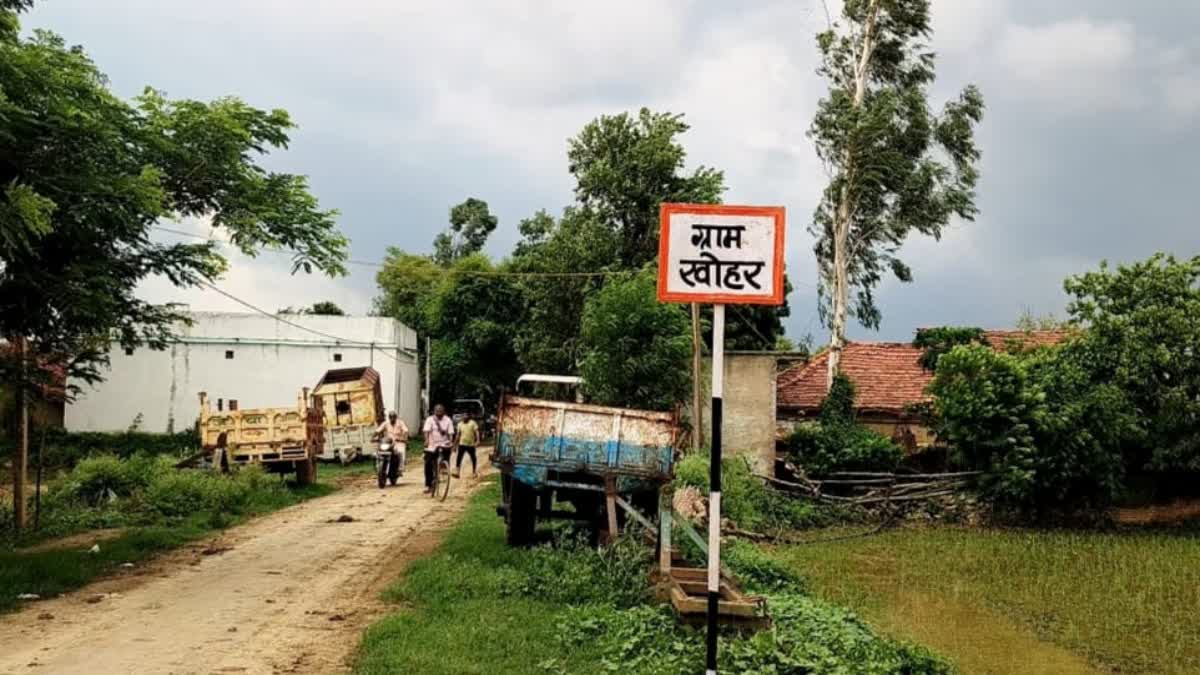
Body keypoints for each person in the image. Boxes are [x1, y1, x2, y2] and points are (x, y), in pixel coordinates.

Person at [422, 403, 455, 493]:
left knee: (446, 454)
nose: (439, 413)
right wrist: (426, 441)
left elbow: (451, 433)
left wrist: (451, 442)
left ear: (444, 412)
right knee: (427, 464)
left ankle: (444, 468)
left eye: (441, 411)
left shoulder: (448, 420)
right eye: (437, 411)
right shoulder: (430, 419)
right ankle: (428, 485)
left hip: (444, 443)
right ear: (434, 412)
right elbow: (426, 432)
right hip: (432, 445)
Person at [373, 410, 408, 481]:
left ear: (396, 417)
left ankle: (400, 469)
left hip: (398, 442)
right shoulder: (386, 423)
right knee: (377, 453)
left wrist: (404, 438)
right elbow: (378, 430)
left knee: (400, 452)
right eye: (391, 417)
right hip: (387, 442)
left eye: (393, 417)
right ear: (389, 417)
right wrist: (373, 437)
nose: (392, 419)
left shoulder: (400, 423)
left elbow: (406, 431)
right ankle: (378, 468)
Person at [454, 411, 480, 478]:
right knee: (459, 458)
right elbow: (458, 435)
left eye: (466, 416)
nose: (465, 417)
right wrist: (454, 445)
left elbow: (476, 432)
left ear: (469, 416)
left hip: (471, 444)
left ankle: (474, 472)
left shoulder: (473, 423)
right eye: (463, 416)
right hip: (462, 444)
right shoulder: (459, 424)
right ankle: (457, 472)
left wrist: (478, 440)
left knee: (473, 458)